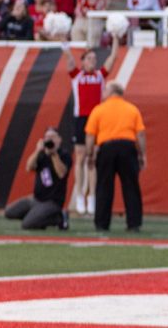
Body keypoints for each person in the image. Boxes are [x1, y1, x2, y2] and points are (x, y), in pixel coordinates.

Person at [63, 36, 118, 216]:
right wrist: (63, 40)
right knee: (80, 157)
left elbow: (113, 58)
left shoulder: (100, 76)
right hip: (81, 119)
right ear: (84, 61)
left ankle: (92, 197)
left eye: (95, 59)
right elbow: (69, 59)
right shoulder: (77, 76)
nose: (93, 61)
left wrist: (116, 37)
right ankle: (79, 195)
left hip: (96, 120)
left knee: (92, 159)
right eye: (89, 59)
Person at [85, 81, 146, 231]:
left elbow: (90, 135)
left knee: (104, 187)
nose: (103, 93)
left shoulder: (99, 110)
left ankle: (101, 223)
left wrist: (90, 154)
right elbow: (141, 133)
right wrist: (142, 154)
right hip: (127, 147)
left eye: (105, 90)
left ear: (111, 91)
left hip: (107, 148)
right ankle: (134, 223)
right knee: (131, 186)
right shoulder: (132, 109)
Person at [5, 127, 71, 230]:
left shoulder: (64, 154)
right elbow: (29, 167)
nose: (50, 140)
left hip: (53, 201)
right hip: (36, 199)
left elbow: (61, 173)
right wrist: (37, 151)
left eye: (52, 137)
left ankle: (59, 217)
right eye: (47, 137)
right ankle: (39, 218)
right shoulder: (41, 154)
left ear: (59, 139)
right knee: (9, 212)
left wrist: (54, 154)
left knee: (27, 225)